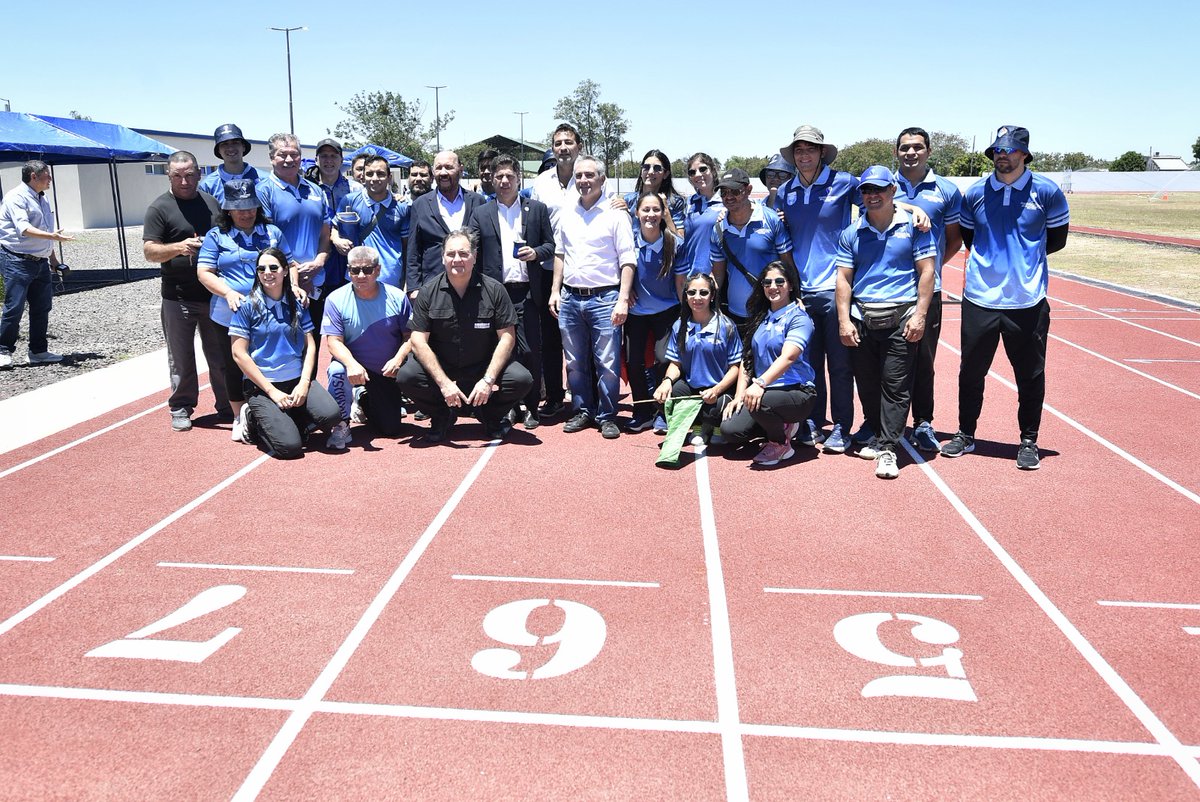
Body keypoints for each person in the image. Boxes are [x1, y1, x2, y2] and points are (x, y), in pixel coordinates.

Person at [941, 125, 1069, 470]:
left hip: (1027, 300)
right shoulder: (976, 193)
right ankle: (966, 434)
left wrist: (1023, 263)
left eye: (1010, 150)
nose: (1002, 155)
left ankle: (1028, 440)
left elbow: (1057, 240)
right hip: (980, 298)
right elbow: (969, 236)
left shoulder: (1047, 192)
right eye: (998, 150)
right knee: (971, 372)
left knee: (1030, 375)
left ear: (1024, 154)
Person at [835, 167, 936, 479]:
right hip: (862, 320)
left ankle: (889, 448)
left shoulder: (915, 227)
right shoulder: (852, 233)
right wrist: (844, 321)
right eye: (867, 190)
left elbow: (927, 271)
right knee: (867, 385)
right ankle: (879, 433)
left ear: (893, 190)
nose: (872, 195)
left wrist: (920, 315)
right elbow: (843, 279)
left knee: (895, 387)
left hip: (901, 319)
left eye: (879, 189)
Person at [396, 229, 533, 442]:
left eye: (463, 253)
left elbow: (507, 338)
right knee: (407, 376)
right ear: (443, 257)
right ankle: (442, 415)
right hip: (443, 363)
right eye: (451, 254)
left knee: (521, 379)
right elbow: (418, 341)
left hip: (482, 363)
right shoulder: (427, 292)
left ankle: (488, 414)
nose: (457, 259)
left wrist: (488, 380)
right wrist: (444, 383)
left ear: (474, 256)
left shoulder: (495, 290)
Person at [773, 124, 859, 453]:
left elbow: (880, 203)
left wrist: (913, 209)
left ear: (822, 152)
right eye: (799, 150)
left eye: (810, 148)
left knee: (840, 365)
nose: (804, 154)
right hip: (801, 293)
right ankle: (812, 421)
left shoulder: (845, 182)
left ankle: (841, 426)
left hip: (836, 289)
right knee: (808, 364)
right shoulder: (786, 191)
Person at [196, 178, 295, 443]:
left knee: (270, 358)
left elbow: (290, 265)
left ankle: (273, 406)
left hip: (271, 313)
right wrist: (228, 292)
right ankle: (239, 416)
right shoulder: (217, 236)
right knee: (233, 365)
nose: (246, 213)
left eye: (250, 207)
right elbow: (204, 272)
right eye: (239, 208)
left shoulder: (272, 232)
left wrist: (294, 288)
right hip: (228, 314)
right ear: (228, 209)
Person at [549, 156, 636, 440]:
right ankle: (582, 410)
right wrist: (555, 290)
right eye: (579, 175)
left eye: (589, 175)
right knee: (574, 362)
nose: (583, 180)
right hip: (570, 298)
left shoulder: (616, 214)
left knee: (607, 363)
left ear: (602, 179)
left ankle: (607, 416)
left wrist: (622, 299)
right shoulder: (567, 213)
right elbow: (560, 253)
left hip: (605, 298)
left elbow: (627, 259)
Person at [143, 151, 230, 431]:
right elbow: (149, 251)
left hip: (213, 295)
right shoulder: (159, 208)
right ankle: (181, 406)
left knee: (220, 356)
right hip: (177, 296)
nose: (184, 181)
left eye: (190, 175)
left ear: (199, 174)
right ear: (168, 175)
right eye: (178, 175)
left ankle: (227, 404)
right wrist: (180, 247)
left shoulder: (211, 203)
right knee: (181, 358)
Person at [468, 154, 555, 429]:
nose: (504, 181)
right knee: (501, 352)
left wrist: (536, 253)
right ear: (492, 180)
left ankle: (531, 407)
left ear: (519, 179)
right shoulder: (481, 213)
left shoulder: (537, 210)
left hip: (527, 293)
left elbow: (551, 246)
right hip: (495, 295)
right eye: (499, 176)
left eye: (509, 176)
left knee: (530, 352)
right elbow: (472, 249)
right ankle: (508, 406)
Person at [229, 248, 340, 458]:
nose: (267, 273)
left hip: (295, 380)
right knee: (290, 447)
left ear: (285, 271)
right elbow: (238, 354)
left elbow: (310, 345)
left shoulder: (297, 302)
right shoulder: (246, 306)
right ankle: (251, 419)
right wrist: (272, 391)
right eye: (261, 269)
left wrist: (304, 383)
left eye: (273, 268)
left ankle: (291, 417)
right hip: (263, 386)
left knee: (331, 416)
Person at [893, 126, 963, 453]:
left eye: (917, 147)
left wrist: (929, 272)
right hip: (886, 290)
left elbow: (954, 239)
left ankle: (923, 422)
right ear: (897, 152)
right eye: (905, 147)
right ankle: (881, 421)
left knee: (924, 360)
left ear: (928, 151)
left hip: (927, 291)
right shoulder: (883, 185)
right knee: (885, 363)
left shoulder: (946, 190)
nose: (911, 153)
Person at [721, 260, 817, 466]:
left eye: (779, 281)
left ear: (790, 285)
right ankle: (778, 424)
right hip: (764, 392)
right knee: (730, 430)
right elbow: (747, 359)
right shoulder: (761, 317)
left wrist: (760, 383)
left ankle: (780, 444)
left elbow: (788, 357)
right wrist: (739, 396)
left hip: (796, 391)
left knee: (762, 403)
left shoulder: (799, 318)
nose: (773, 287)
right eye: (767, 283)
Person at [322, 246, 412, 447]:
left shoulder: (397, 297)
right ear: (348, 271)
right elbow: (333, 342)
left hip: (386, 370)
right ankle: (341, 424)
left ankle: (361, 398)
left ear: (377, 270)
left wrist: (398, 360)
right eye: (355, 270)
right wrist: (351, 364)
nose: (361, 275)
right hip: (353, 368)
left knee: (391, 429)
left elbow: (410, 336)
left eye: (367, 270)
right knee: (336, 370)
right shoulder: (335, 299)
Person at [255, 133, 332, 345]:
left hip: (316, 283)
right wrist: (296, 273)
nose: (289, 159)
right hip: (282, 285)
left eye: (294, 154)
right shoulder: (263, 191)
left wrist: (319, 262)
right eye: (283, 154)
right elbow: (267, 242)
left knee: (313, 344)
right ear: (272, 158)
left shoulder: (315, 190)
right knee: (285, 346)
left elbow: (325, 234)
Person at [653, 272, 742, 444]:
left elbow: (735, 367)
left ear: (712, 296)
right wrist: (667, 381)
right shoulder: (679, 325)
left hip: (720, 390)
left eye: (703, 292)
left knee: (713, 411)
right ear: (686, 296)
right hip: (692, 388)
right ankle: (698, 425)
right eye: (692, 292)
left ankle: (714, 425)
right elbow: (676, 363)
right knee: (663, 398)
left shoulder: (726, 325)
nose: (697, 297)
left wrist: (716, 390)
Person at [0, 160, 73, 368]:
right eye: (47, 175)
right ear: (34, 176)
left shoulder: (43, 198)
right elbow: (24, 229)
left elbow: (46, 232)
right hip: (17, 260)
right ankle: (3, 350)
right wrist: (52, 236)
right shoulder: (16, 197)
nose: (50, 179)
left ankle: (38, 351)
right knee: (14, 307)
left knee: (42, 307)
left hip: (40, 262)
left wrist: (54, 261)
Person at [624, 191, 684, 433]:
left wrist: (685, 315)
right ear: (636, 213)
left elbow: (680, 282)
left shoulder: (674, 243)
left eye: (656, 209)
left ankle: (663, 412)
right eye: (645, 209)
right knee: (633, 361)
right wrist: (625, 290)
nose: (651, 214)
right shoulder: (628, 241)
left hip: (666, 310)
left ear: (663, 213)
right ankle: (642, 411)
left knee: (663, 359)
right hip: (636, 312)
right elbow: (618, 269)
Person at [709, 167, 794, 328]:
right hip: (735, 315)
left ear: (748, 190)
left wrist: (796, 299)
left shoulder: (771, 220)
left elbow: (788, 265)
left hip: (771, 311)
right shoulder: (718, 230)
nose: (728, 197)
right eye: (724, 193)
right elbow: (718, 275)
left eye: (735, 191)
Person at [405, 150, 485, 295]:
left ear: (460, 169)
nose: (443, 173)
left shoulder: (477, 201)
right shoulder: (420, 205)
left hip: (473, 286)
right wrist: (414, 288)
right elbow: (413, 250)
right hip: (433, 287)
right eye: (438, 168)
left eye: (448, 167)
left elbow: (485, 246)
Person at [339, 154, 411, 288]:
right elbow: (334, 228)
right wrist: (337, 240)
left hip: (391, 280)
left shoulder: (402, 206)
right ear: (363, 177)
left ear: (389, 177)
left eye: (380, 174)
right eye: (370, 174)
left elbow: (407, 247)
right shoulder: (349, 201)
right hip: (358, 279)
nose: (375, 178)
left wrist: (406, 281)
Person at [311, 138, 357, 296]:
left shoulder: (356, 189)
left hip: (349, 261)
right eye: (324, 156)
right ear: (316, 160)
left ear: (341, 160)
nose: (328, 160)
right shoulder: (307, 190)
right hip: (319, 260)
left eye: (333, 156)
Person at [616, 149, 686, 232]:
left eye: (657, 168)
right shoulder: (628, 201)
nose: (650, 172)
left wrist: (666, 214)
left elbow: (680, 237)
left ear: (666, 174)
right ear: (641, 172)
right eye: (646, 167)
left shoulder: (675, 202)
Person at [680, 152, 723, 276]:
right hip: (690, 276)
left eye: (703, 169)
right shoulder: (688, 203)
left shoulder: (727, 201)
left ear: (713, 170)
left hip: (715, 276)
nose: (698, 174)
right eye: (692, 172)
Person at [198, 124, 259, 204]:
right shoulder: (208, 185)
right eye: (224, 144)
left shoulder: (262, 179)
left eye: (235, 142)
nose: (230, 148)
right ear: (218, 150)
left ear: (243, 147)